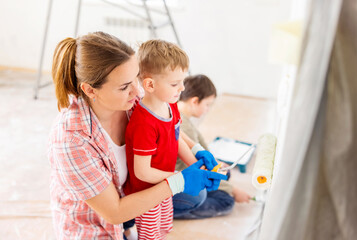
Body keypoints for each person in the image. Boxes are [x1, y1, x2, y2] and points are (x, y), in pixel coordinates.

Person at [48, 32, 227, 239]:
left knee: (196, 196)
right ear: (90, 90)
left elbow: (170, 129)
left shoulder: (135, 102)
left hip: (131, 196)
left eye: (136, 78)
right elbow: (113, 213)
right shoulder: (71, 139)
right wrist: (179, 181)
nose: (137, 91)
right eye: (124, 86)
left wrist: (197, 149)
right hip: (98, 227)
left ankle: (136, 223)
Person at [122, 39, 211, 240]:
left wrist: (196, 164)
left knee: (162, 230)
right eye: (174, 83)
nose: (182, 88)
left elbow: (176, 138)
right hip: (147, 193)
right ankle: (127, 231)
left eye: (183, 81)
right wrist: (180, 177)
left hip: (165, 185)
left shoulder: (169, 105)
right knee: (150, 236)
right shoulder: (144, 123)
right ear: (150, 84)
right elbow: (142, 172)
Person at [173, 74, 251, 219]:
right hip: (184, 176)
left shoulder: (182, 117)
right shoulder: (184, 125)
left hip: (191, 169)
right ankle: (174, 211)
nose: (208, 110)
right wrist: (233, 190)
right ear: (195, 101)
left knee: (226, 173)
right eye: (207, 105)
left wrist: (217, 165)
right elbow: (196, 170)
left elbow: (200, 150)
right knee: (226, 201)